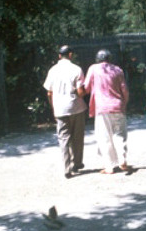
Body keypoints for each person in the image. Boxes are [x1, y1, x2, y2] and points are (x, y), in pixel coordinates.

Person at [43, 45, 87, 179]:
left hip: (60, 109)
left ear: (59, 56)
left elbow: (49, 92)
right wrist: (85, 92)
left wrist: (53, 107)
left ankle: (66, 168)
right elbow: (80, 92)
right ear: (70, 55)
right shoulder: (77, 69)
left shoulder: (52, 70)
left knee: (64, 139)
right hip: (76, 107)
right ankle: (77, 163)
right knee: (77, 137)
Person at [84, 49, 130, 174]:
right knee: (119, 134)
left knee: (104, 137)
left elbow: (86, 88)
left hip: (102, 108)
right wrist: (124, 104)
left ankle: (109, 167)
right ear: (109, 58)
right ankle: (122, 159)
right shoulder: (117, 70)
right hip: (118, 106)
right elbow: (124, 90)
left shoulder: (93, 69)